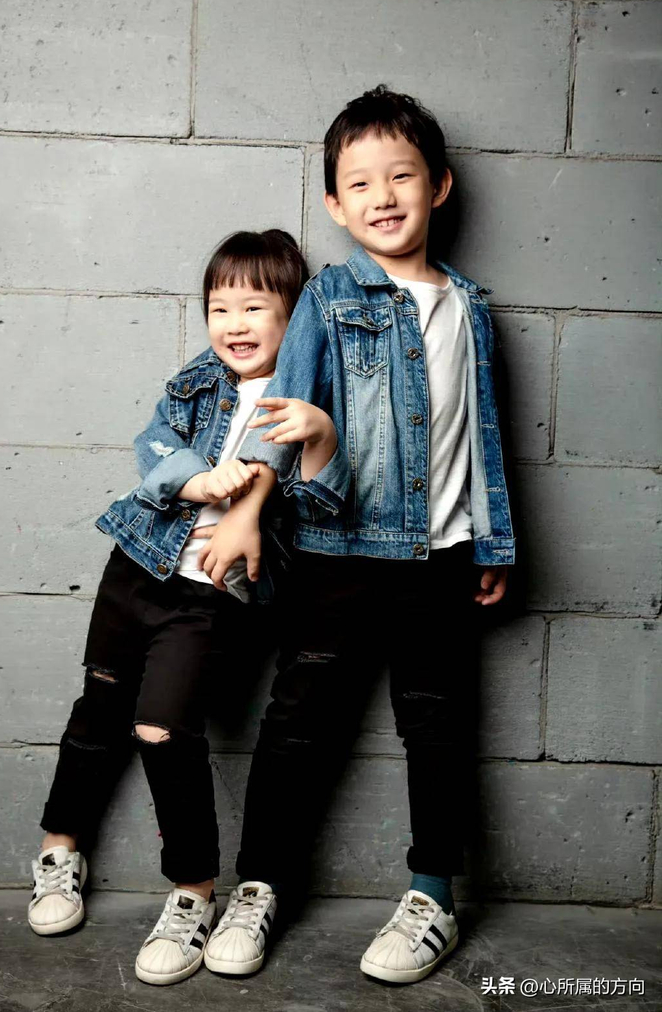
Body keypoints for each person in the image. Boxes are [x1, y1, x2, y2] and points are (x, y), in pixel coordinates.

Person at [197, 87, 516, 986]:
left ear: (439, 186)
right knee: (299, 722)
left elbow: (484, 432)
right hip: (336, 552)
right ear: (335, 204)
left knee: (438, 725)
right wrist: (248, 511)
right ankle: (259, 884)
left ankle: (431, 895)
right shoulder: (329, 297)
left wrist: (493, 541)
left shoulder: (472, 306)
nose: (383, 196)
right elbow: (282, 411)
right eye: (360, 183)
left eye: (401, 176)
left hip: (441, 557)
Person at [26, 229, 338, 987]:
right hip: (137, 564)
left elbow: (322, 498)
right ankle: (59, 848)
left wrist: (316, 445)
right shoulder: (200, 377)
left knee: (161, 728)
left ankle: (193, 891)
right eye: (218, 307)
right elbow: (155, 445)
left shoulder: (309, 400)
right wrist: (196, 481)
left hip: (211, 593)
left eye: (254, 306)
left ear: (294, 316)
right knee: (98, 707)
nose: (233, 323)